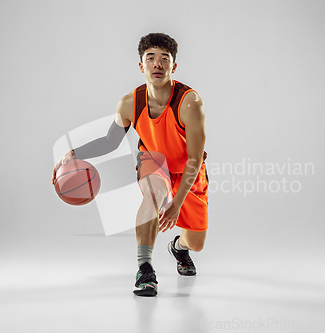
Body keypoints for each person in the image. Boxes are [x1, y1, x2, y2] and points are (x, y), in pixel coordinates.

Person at [52, 33, 208, 297]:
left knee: (197, 242)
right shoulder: (129, 103)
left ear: (174, 66)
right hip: (153, 160)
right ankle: (145, 269)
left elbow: (195, 158)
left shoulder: (190, 103)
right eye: (151, 58)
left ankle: (178, 248)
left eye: (164, 59)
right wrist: (74, 153)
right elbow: (111, 141)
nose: (157, 64)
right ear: (141, 66)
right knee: (153, 193)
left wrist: (177, 203)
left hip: (188, 169)